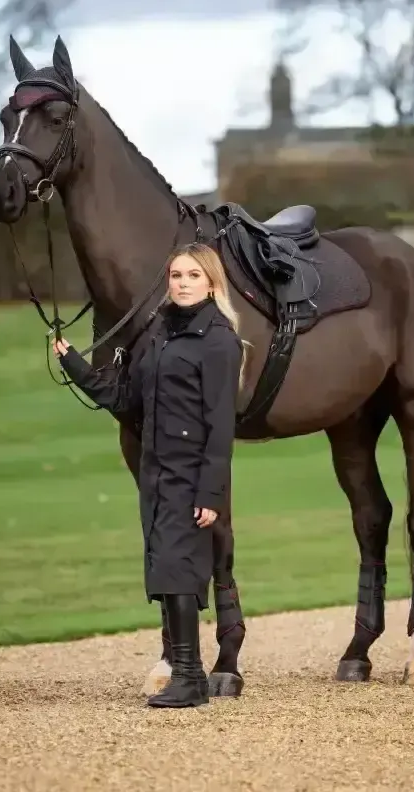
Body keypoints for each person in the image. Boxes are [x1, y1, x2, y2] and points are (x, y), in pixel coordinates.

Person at [54, 243, 247, 708]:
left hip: (189, 471)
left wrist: (211, 492)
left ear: (212, 283)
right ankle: (188, 676)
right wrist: (74, 363)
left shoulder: (219, 341)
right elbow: (126, 399)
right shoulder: (159, 333)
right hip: (156, 468)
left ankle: (189, 677)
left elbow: (221, 424)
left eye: (193, 275)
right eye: (177, 275)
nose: (182, 283)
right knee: (164, 568)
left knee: (179, 569)